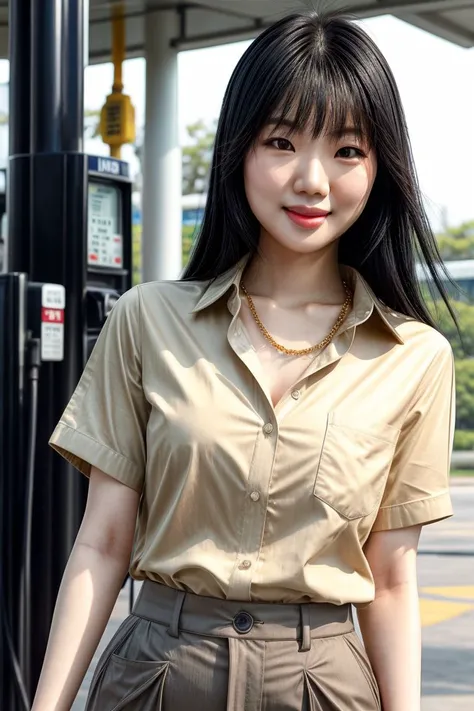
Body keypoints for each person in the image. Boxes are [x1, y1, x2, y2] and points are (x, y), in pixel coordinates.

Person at [31, 9, 457, 711]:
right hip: (157, 676)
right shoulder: (148, 320)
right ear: (239, 150)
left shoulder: (415, 358)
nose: (312, 180)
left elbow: (391, 579)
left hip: (322, 684)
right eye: (282, 141)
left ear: (381, 168)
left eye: (347, 150)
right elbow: (102, 543)